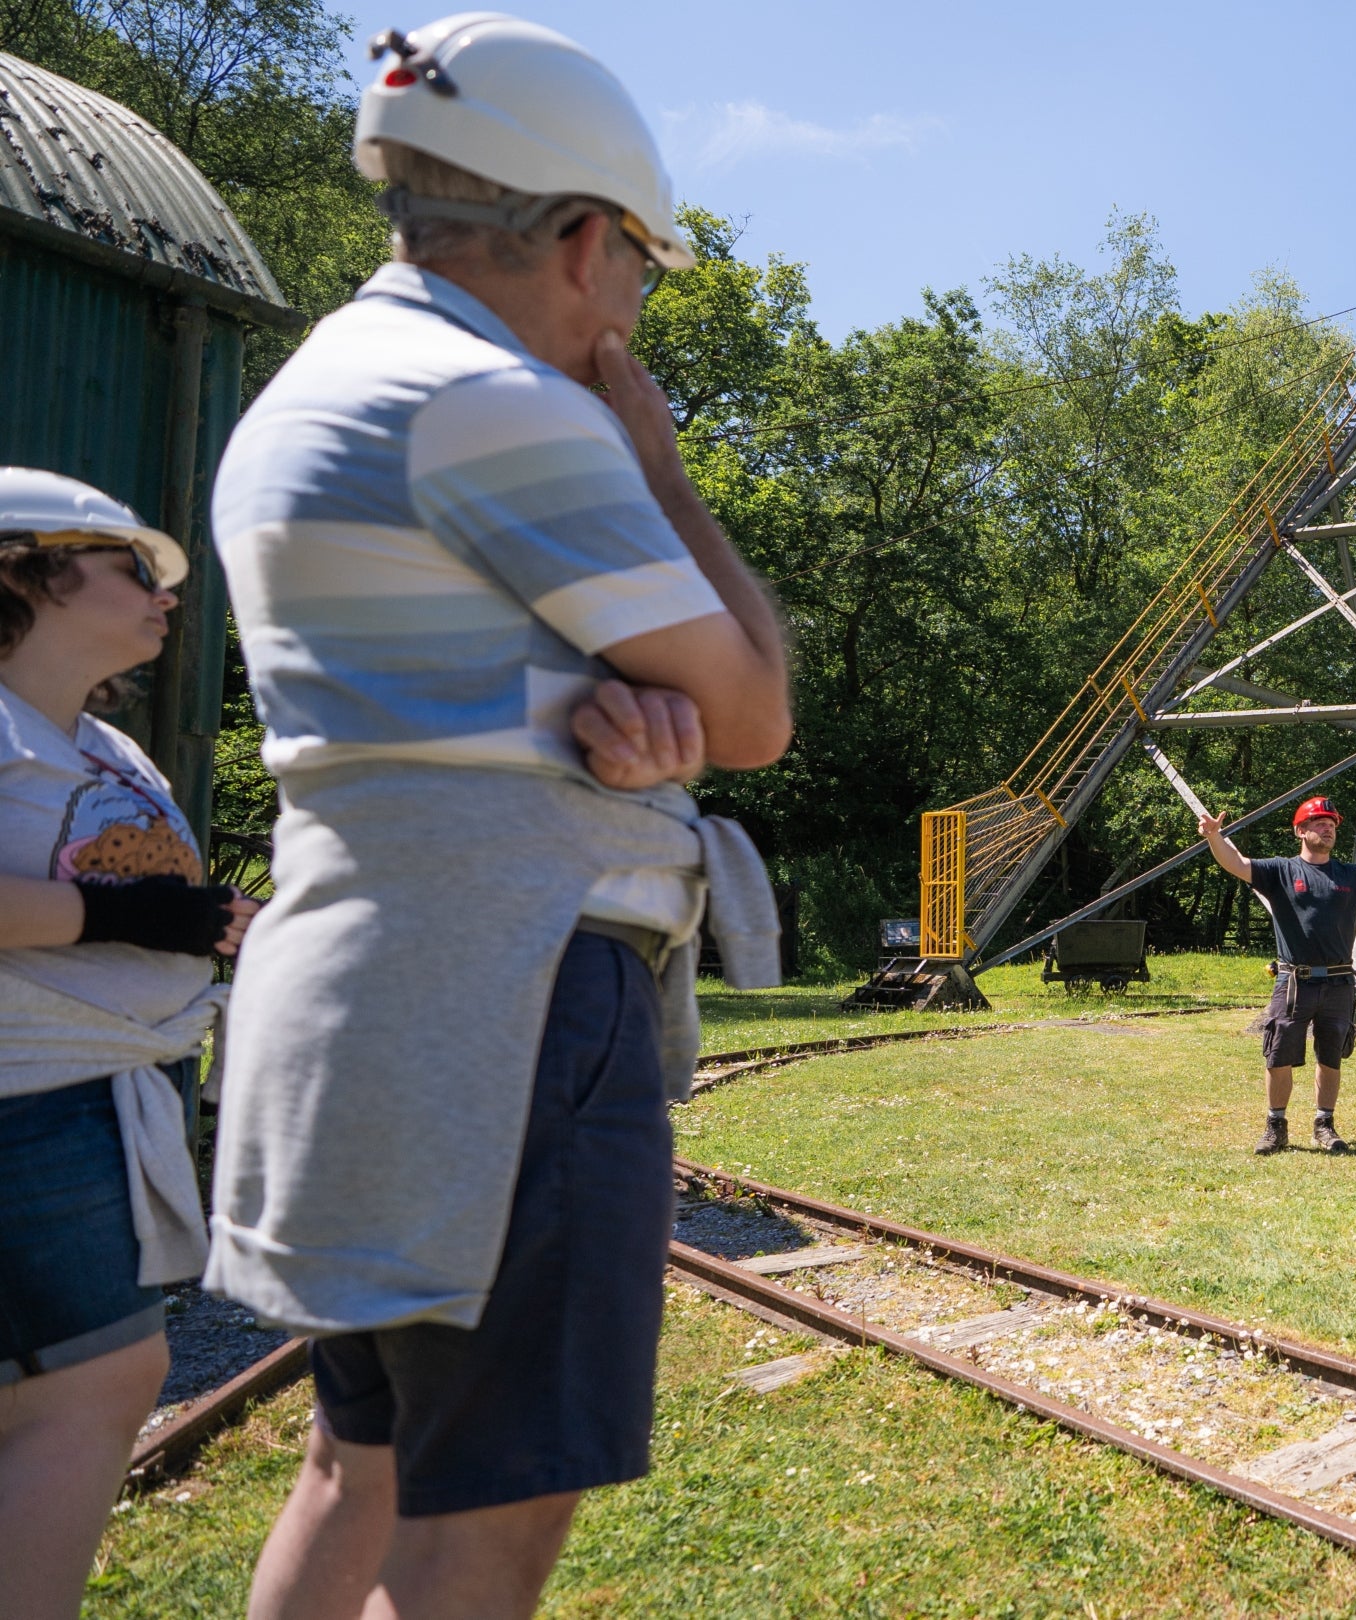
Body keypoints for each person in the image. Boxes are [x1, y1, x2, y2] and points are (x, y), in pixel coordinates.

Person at [202, 18, 790, 1618]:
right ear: (585, 235)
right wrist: (659, 465)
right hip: (512, 1008)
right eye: (644, 268)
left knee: (358, 1468)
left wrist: (598, 728)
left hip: (368, 985)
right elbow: (749, 712)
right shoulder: (495, 405)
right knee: (486, 1535)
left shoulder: (313, 396)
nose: (634, 308)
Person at [0, 471, 260, 1620]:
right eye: (134, 566)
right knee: (93, 1385)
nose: (166, 592)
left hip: (111, 1094)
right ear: (27, 567)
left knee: (70, 1391)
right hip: (26, 1096)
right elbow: (110, 907)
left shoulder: (106, 744)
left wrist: (213, 928)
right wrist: (130, 921)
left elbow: (136, 893)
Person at [1203, 795, 1356, 1155]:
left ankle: (1324, 1125)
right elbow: (1235, 863)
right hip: (1294, 983)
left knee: (1331, 1057)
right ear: (1300, 830)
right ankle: (1275, 1126)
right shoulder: (1281, 871)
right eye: (1319, 823)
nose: (1328, 828)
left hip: (1339, 984)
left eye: (1331, 824)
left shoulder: (1351, 875)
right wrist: (1213, 837)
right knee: (1278, 1055)